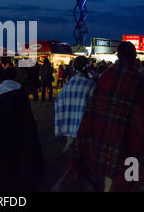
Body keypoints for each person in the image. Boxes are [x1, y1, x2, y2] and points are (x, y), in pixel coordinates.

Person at [71, 42, 144, 192]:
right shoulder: (134, 77)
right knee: (130, 156)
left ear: (118, 55)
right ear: (133, 57)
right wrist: (142, 128)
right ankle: (129, 184)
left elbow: (97, 103)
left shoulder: (107, 74)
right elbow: (140, 109)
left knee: (111, 159)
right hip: (127, 128)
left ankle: (110, 187)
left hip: (105, 127)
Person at [52, 56, 97, 191]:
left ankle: (68, 183)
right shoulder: (91, 85)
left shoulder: (68, 84)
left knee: (75, 159)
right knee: (82, 160)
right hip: (84, 129)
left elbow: (58, 101)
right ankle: (62, 184)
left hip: (69, 128)